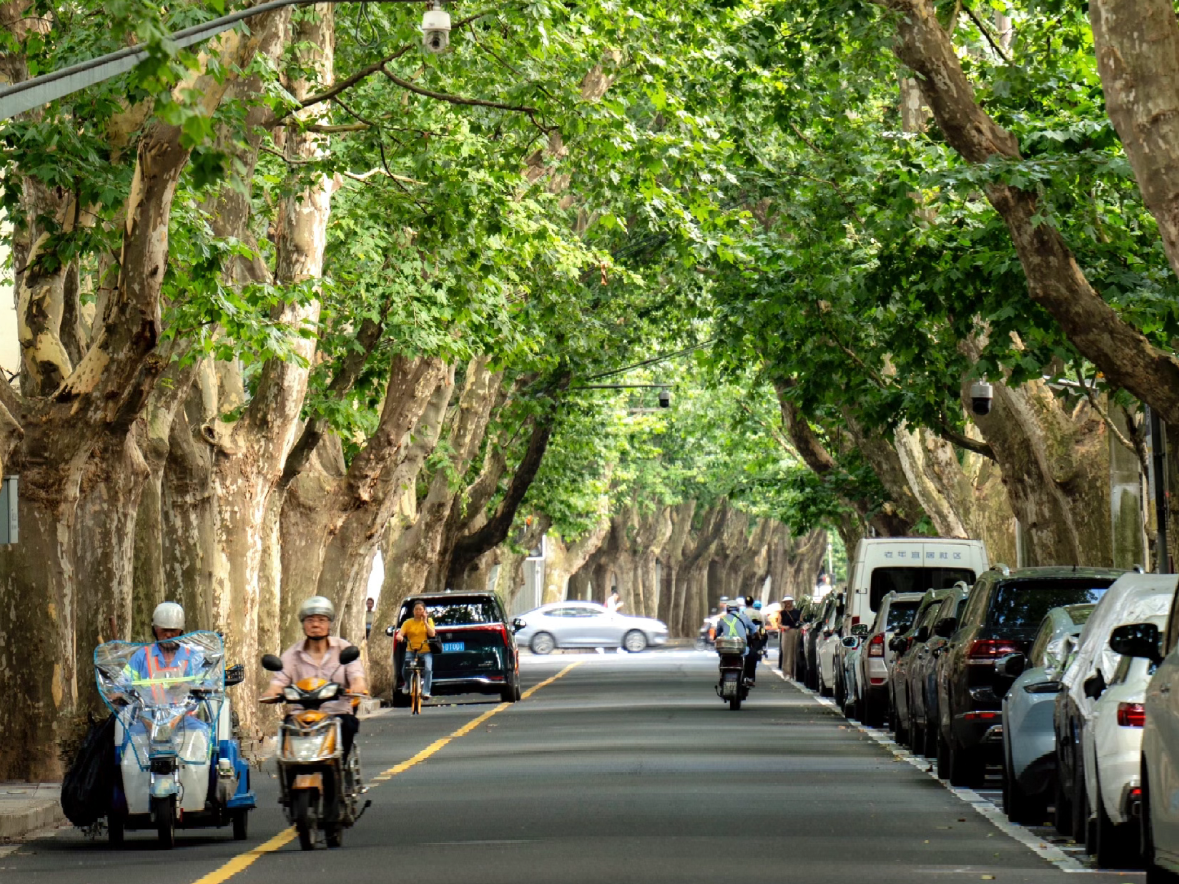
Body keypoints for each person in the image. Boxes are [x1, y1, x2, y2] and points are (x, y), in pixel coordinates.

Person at [263, 596, 368, 757]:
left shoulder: (343, 648)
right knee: (285, 740)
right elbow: (279, 680)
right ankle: (289, 777)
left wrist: (357, 685)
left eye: (321, 620)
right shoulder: (292, 654)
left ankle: (342, 775)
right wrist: (273, 692)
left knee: (347, 726)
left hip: (337, 715)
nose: (316, 624)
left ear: (329, 624)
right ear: (303, 624)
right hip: (301, 717)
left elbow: (356, 676)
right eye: (310, 620)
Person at [123, 602, 208, 704]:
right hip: (148, 716)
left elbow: (208, 685)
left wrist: (189, 687)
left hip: (186, 716)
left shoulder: (194, 657)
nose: (168, 635)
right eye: (163, 630)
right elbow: (122, 683)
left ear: (180, 631)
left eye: (173, 630)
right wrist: (118, 692)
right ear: (155, 630)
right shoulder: (141, 657)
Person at [396, 600, 436, 700]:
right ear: (413, 611)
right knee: (406, 667)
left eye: (420, 609)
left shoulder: (429, 621)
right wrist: (400, 636)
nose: (418, 611)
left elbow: (432, 634)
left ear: (424, 611)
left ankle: (426, 691)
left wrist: (425, 622)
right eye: (416, 609)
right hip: (411, 650)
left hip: (425, 651)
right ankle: (407, 684)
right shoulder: (408, 622)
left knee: (428, 669)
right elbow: (400, 633)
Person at [778, 597, 802, 679]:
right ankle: (786, 672)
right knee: (786, 653)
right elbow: (778, 624)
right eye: (786, 602)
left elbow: (801, 622)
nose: (788, 603)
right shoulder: (782, 613)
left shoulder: (797, 612)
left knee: (795, 652)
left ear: (792, 602)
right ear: (784, 603)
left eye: (789, 602)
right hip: (786, 633)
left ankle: (794, 673)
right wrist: (784, 627)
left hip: (795, 632)